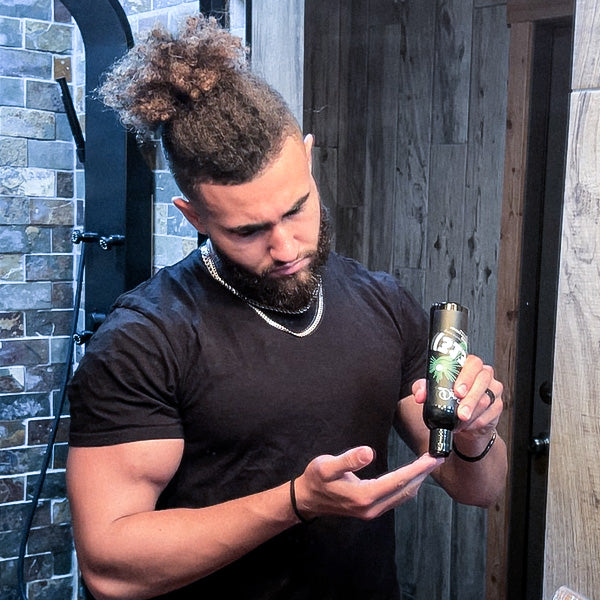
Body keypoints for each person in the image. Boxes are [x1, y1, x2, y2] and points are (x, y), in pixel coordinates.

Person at [66, 15, 507, 600]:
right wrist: (296, 503)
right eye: (248, 231)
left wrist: (475, 435)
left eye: (297, 209)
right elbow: (110, 565)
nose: (286, 247)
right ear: (193, 216)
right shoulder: (144, 339)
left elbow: (479, 489)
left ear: (307, 156)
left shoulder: (381, 301)